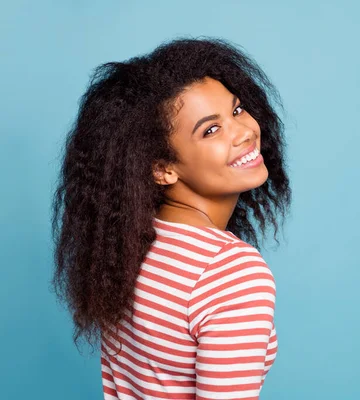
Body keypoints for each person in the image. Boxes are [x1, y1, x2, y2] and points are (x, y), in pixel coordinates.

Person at [51, 37, 292, 399]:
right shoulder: (231, 274)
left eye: (238, 110)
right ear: (162, 169)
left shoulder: (127, 246)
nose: (244, 132)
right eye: (211, 129)